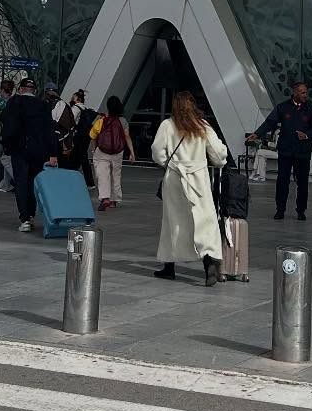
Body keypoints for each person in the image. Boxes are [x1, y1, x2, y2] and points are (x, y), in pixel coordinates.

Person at [152, 91, 227, 285]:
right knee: (205, 220)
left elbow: (157, 152)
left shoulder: (167, 125)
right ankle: (209, 262)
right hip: (199, 178)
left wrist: (167, 164)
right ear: (193, 105)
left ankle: (169, 267)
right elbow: (218, 153)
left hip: (175, 178)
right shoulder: (203, 125)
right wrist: (219, 161)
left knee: (173, 221)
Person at [248, 81, 312, 221]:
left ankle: (301, 211)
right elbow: (270, 123)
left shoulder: (310, 109)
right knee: (282, 181)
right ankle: (280, 210)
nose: (305, 95)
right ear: (295, 93)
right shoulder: (282, 107)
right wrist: (257, 133)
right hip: (286, 151)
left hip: (303, 152)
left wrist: (306, 135)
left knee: (302, 183)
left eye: (306, 92)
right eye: (302, 92)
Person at [0, 76, 58, 231]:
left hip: (19, 149)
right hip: (38, 151)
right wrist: (53, 153)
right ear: (35, 91)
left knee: (21, 183)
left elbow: (7, 124)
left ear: (21, 89)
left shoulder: (14, 103)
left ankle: (24, 218)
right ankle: (31, 214)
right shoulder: (43, 105)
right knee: (33, 183)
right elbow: (49, 130)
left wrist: (7, 145)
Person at [89, 94, 135, 209]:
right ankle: (114, 200)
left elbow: (93, 136)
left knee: (102, 174)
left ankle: (105, 198)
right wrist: (132, 152)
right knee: (116, 175)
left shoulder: (101, 120)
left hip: (102, 151)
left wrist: (93, 149)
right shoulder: (123, 121)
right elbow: (127, 137)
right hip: (118, 152)